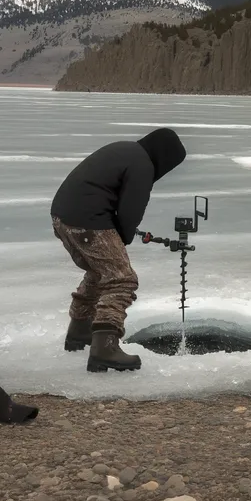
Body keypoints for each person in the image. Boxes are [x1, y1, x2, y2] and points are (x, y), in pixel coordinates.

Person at [50, 128, 186, 371]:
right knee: (121, 279)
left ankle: (79, 332)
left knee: (97, 272)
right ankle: (105, 348)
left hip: (63, 217)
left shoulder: (126, 150)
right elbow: (131, 209)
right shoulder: (142, 164)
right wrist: (123, 236)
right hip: (88, 221)